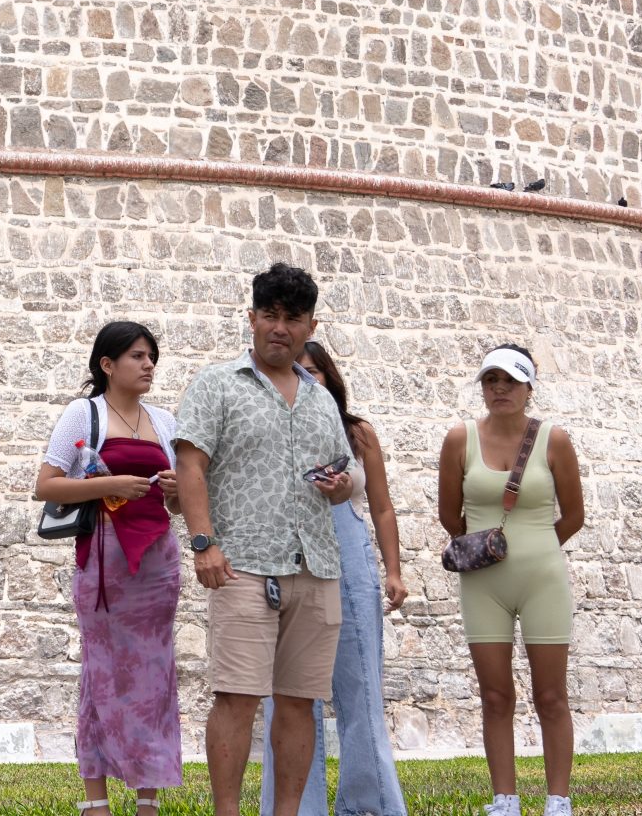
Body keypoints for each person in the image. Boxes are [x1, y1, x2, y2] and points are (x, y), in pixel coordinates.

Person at [175, 263, 359, 816]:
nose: (280, 327)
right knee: (237, 696)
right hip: (242, 564)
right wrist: (204, 544)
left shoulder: (323, 401)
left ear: (311, 326)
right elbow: (190, 466)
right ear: (251, 319)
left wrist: (341, 484)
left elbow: (340, 477)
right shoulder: (215, 384)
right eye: (270, 316)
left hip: (315, 564)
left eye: (293, 318)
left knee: (301, 703)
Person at [36, 321, 186, 815]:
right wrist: (111, 484)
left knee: (156, 674)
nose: (148, 365)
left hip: (158, 560)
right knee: (102, 671)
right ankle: (96, 802)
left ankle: (148, 800)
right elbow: (47, 486)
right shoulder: (85, 415)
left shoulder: (163, 421)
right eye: (138, 357)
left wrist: (173, 490)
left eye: (151, 358)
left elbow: (183, 504)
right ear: (107, 364)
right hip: (104, 559)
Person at [258, 341, 410, 816]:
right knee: (287, 698)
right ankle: (297, 809)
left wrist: (394, 570)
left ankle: (370, 806)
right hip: (286, 559)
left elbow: (382, 507)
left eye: (315, 371)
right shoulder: (269, 426)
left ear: (330, 376)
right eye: (297, 371)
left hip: (350, 559)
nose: (306, 378)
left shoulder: (358, 432)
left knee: (360, 688)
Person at [436, 346, 584, 816]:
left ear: (529, 389)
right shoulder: (460, 439)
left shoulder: (554, 440)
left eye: (510, 381)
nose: (499, 389)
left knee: (551, 694)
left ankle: (557, 800)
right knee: (496, 694)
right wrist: (488, 551)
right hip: (484, 583)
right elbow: (448, 514)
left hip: (543, 578)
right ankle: (505, 799)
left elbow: (575, 516)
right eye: (490, 379)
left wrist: (534, 546)